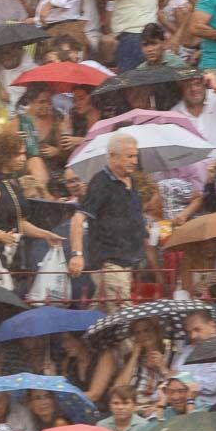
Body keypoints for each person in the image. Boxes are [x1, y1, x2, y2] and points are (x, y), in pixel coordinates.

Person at [67, 132, 149, 314]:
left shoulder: (131, 181)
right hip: (110, 261)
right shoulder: (101, 182)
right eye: (129, 156)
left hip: (127, 261)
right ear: (112, 156)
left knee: (103, 314)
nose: (134, 161)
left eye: (135, 156)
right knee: (122, 316)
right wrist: (77, 255)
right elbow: (78, 218)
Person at [0, 129, 63, 289]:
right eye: (18, 154)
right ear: (4, 156)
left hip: (13, 251)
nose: (23, 158)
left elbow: (20, 222)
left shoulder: (15, 183)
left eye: (24, 153)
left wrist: (45, 234)